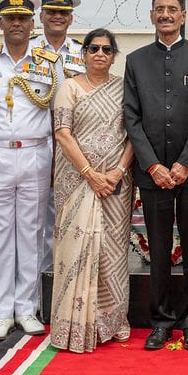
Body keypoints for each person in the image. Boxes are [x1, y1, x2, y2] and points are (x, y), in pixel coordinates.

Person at [123, 0, 188, 352]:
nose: (165, 15)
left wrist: (184, 163)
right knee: (159, 250)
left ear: (183, 16)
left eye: (172, 9)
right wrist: (152, 165)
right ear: (152, 16)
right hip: (152, 174)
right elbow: (131, 117)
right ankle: (161, 321)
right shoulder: (136, 60)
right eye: (159, 9)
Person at [0, 0, 54, 341]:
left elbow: (57, 112)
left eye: (23, 18)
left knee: (32, 234)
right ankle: (2, 311)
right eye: (11, 18)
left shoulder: (48, 61)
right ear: (1, 22)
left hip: (36, 152)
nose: (17, 23)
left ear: (33, 23)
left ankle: (27, 308)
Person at [49, 28, 134, 353]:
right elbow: (62, 133)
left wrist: (117, 171)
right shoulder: (69, 87)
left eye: (107, 49)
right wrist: (90, 174)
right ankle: (75, 324)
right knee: (77, 250)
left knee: (112, 250)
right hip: (77, 182)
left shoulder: (123, 88)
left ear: (114, 56)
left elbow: (134, 134)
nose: (100, 54)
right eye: (94, 48)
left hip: (116, 183)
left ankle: (113, 320)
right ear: (83, 54)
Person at [32, 0, 85, 274]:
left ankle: (59, 274)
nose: (57, 17)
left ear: (71, 18)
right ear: (41, 16)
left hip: (71, 138)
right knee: (34, 212)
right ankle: (36, 278)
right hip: (35, 136)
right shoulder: (28, 49)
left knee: (64, 209)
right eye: (51, 11)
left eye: (63, 13)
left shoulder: (83, 51)